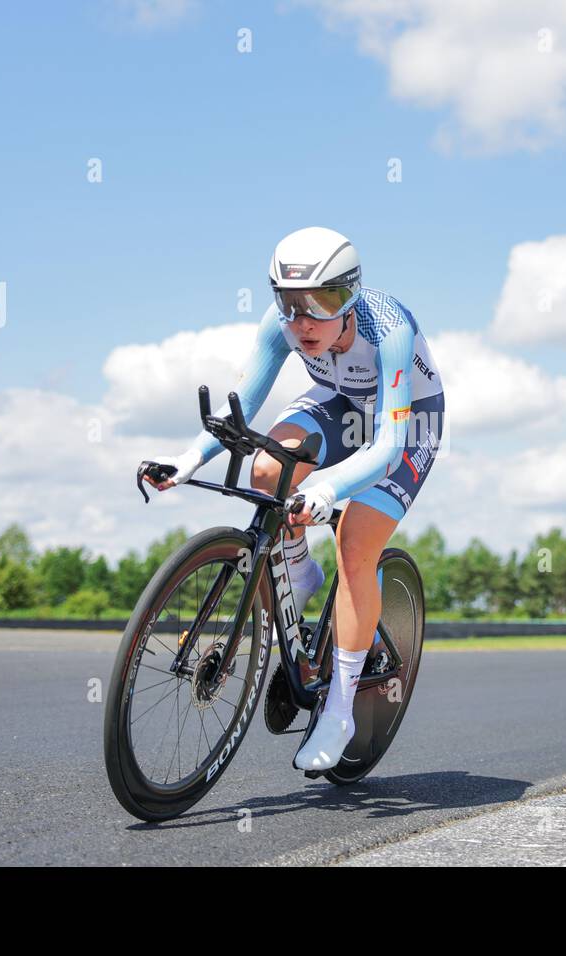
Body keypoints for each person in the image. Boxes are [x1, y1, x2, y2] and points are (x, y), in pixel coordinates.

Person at [145, 227, 444, 771]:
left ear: (350, 295)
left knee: (355, 542)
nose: (303, 321)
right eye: (288, 303)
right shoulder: (282, 328)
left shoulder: (390, 329)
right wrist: (187, 460)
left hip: (403, 424)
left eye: (322, 302)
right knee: (266, 469)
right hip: (338, 402)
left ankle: (339, 709)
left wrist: (327, 491)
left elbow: (386, 445)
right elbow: (244, 409)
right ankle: (299, 574)